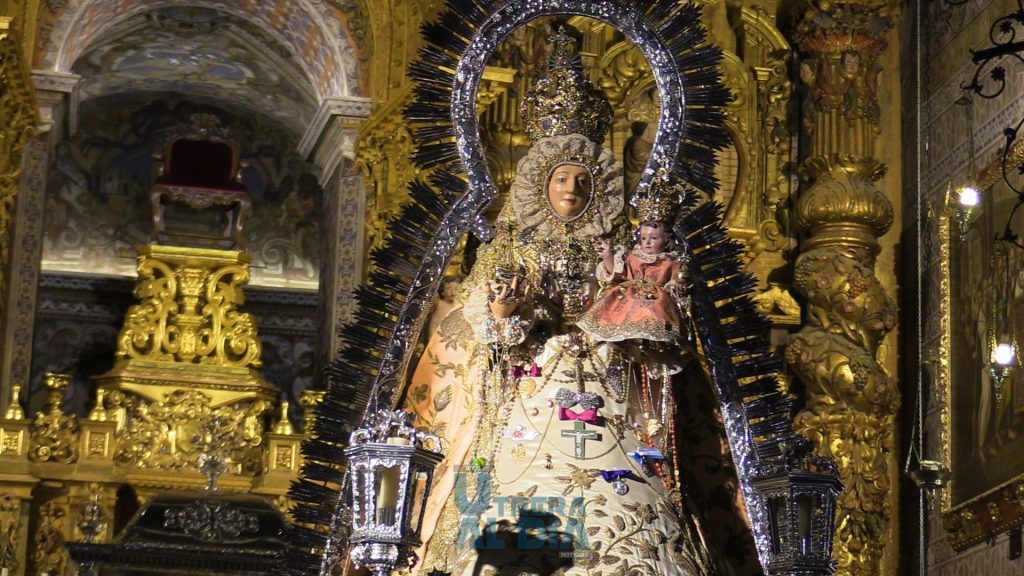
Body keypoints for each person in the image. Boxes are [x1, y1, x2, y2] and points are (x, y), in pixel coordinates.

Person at [403, 29, 713, 576]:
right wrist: (505, 315)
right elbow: (482, 330)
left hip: (606, 385)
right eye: (561, 178)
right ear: (540, 183)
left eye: (582, 181)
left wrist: (642, 315)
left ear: (600, 189)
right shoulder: (512, 246)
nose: (571, 189)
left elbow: (648, 318)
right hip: (531, 387)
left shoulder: (621, 249)